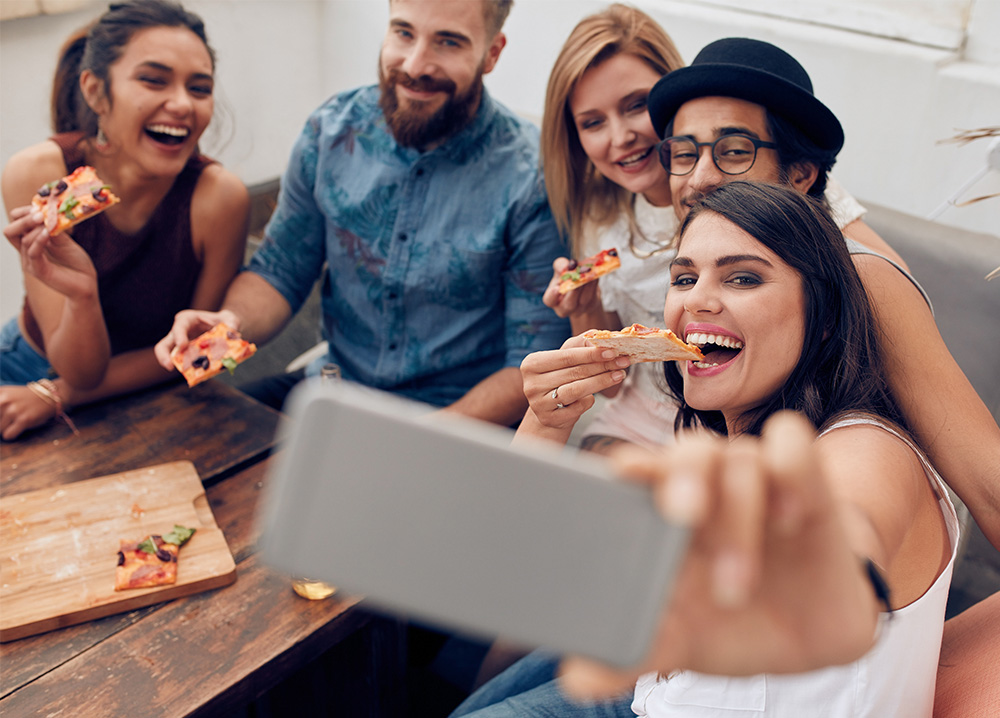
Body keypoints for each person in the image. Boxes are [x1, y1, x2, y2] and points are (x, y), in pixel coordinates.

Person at [457, 181, 960, 717]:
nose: (696, 299)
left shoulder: (868, 445)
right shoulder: (714, 440)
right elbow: (500, 553)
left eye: (743, 277)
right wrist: (545, 422)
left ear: (826, 315)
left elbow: (847, 536)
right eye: (684, 278)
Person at [154, 0, 569, 428]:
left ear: (492, 53)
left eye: (448, 42)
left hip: (457, 421)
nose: (415, 64)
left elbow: (531, 363)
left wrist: (411, 443)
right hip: (334, 392)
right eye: (403, 33)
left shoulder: (533, 175)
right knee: (184, 436)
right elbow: (280, 270)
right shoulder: (330, 131)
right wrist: (229, 324)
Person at [537, 9, 877, 455]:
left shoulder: (781, 185)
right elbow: (615, 385)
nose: (621, 136)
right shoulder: (603, 222)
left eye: (637, 105)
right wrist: (586, 309)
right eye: (593, 122)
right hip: (646, 418)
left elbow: (878, 275)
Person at [0, 0, 249, 441]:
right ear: (96, 92)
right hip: (27, 370)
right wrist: (81, 294)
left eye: (199, 88)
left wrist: (56, 395)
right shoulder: (43, 175)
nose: (181, 104)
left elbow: (202, 354)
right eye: (153, 81)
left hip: (152, 388)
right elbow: (82, 369)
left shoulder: (220, 199)